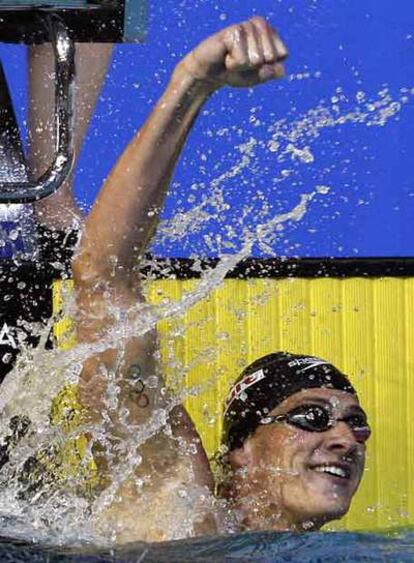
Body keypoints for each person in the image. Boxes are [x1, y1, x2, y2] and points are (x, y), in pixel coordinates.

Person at [69, 15, 371, 541]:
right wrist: (191, 83)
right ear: (241, 452)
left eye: (355, 421)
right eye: (311, 417)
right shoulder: (179, 510)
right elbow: (102, 279)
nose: (346, 437)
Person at [217, 352, 370, 532]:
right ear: (242, 445)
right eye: (312, 416)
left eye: (356, 423)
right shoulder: (194, 536)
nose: (347, 441)